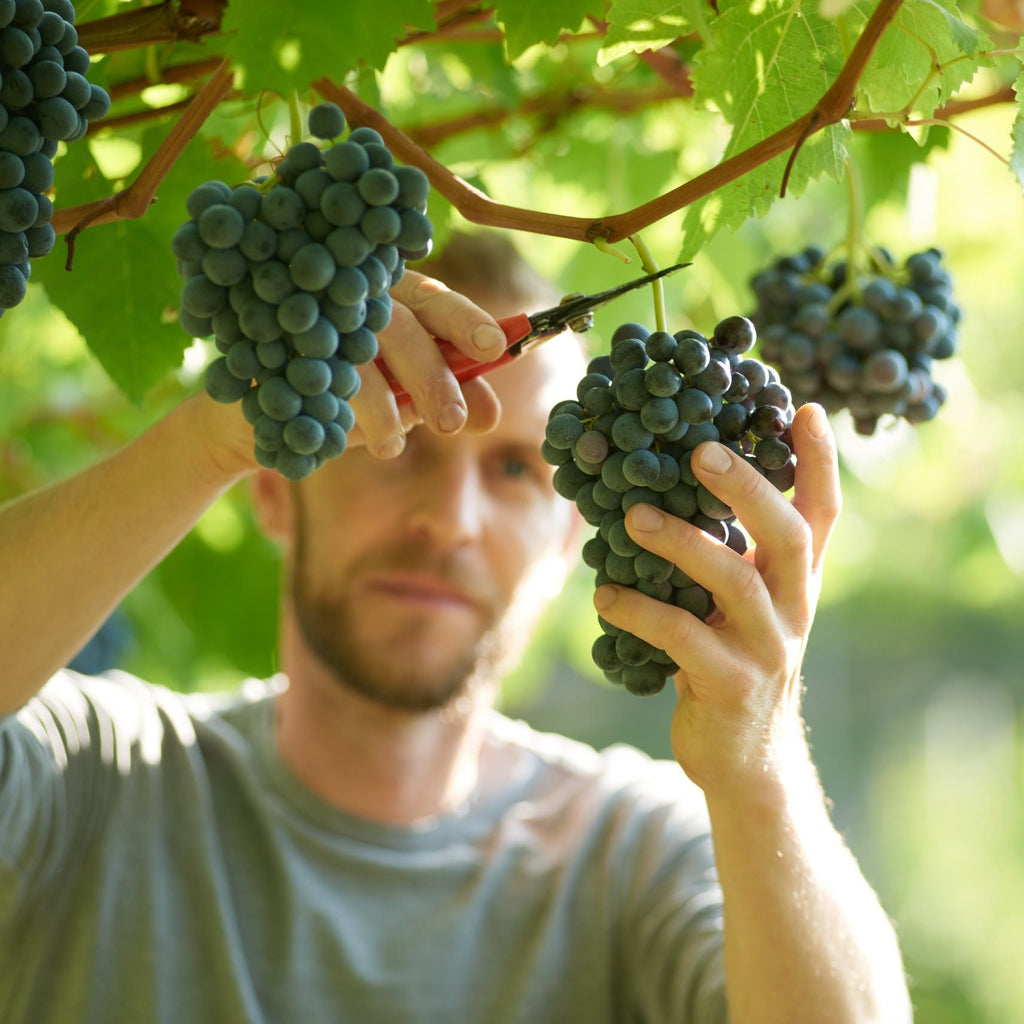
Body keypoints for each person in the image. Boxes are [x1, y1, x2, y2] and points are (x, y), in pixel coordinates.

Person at [0, 230, 912, 1023]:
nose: (450, 520)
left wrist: (760, 765)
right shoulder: (91, 780)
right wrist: (211, 436)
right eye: (394, 441)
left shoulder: (635, 856)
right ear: (276, 484)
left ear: (570, 533)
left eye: (517, 469)